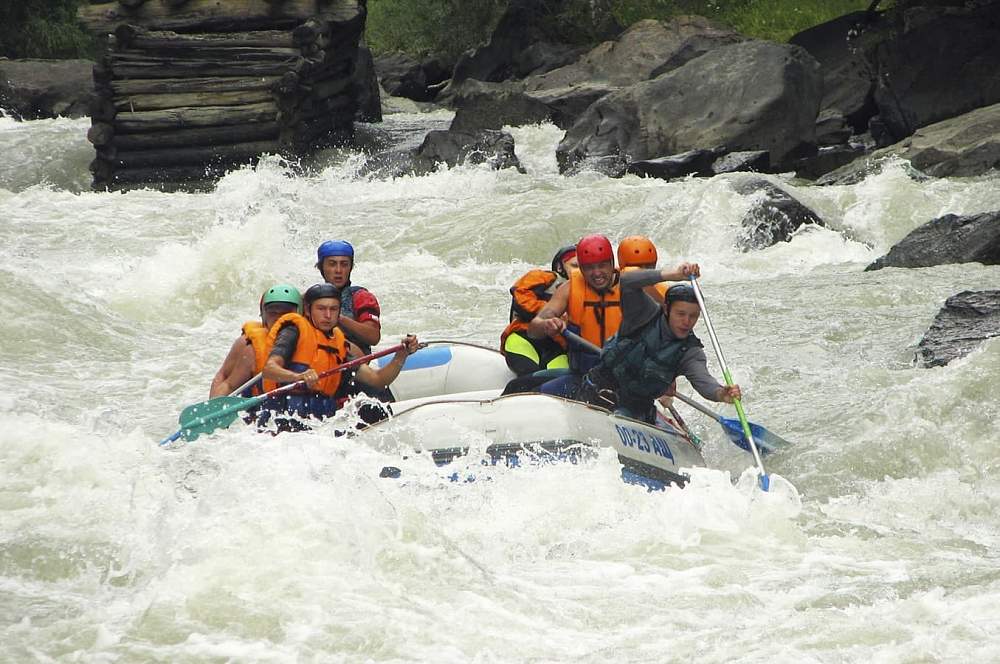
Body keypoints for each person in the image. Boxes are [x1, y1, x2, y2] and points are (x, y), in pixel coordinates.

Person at [578, 272, 742, 424]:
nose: (687, 321)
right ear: (667, 309)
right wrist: (672, 274)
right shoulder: (643, 314)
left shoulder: (690, 352)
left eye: (693, 316)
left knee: (622, 416)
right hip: (594, 391)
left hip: (633, 412)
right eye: (680, 313)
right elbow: (626, 282)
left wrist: (721, 394)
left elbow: (704, 382)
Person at [260, 283, 418, 431]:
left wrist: (401, 355)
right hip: (284, 421)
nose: (327, 315)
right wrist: (298, 376)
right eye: (321, 309)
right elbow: (270, 369)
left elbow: (377, 380)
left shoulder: (338, 345)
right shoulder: (293, 331)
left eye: (333, 309)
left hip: (319, 423)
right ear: (308, 310)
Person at [527, 234, 623, 396]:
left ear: (612, 264)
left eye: (602, 266)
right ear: (581, 268)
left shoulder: (631, 287)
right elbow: (533, 330)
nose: (597, 273)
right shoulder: (568, 289)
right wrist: (546, 325)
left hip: (621, 380)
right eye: (589, 268)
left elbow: (663, 331)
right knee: (518, 387)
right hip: (581, 376)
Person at [209, 284, 302, 398]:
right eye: (272, 313)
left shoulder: (315, 339)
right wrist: (212, 406)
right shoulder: (250, 347)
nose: (279, 318)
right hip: (263, 411)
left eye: (285, 313)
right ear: (263, 316)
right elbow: (228, 384)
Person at [500, 244, 578, 376]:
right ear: (560, 267)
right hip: (524, 337)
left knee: (559, 380)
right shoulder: (544, 277)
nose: (579, 271)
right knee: (528, 374)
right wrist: (551, 312)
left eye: (583, 267)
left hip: (556, 348)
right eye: (575, 266)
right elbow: (520, 293)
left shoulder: (587, 293)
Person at [315, 240, 381, 353]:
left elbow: (373, 337)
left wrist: (339, 319)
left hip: (355, 364)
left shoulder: (361, 297)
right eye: (332, 264)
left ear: (350, 268)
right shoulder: (310, 299)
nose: (338, 270)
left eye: (344, 264)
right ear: (321, 267)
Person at [617, 235, 668, 302]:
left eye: (648, 266)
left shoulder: (665, 290)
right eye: (638, 267)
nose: (643, 271)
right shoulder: (612, 287)